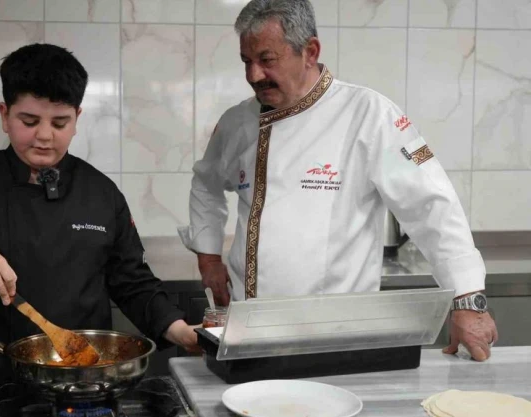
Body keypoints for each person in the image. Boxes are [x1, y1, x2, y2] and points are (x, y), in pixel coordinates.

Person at [178, 0, 498, 361]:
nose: (253, 75)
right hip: (247, 333)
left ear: (310, 52)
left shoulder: (369, 114)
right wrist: (209, 259)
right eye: (246, 61)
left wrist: (467, 301)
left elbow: (431, 207)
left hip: (337, 336)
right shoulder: (238, 121)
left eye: (266, 60)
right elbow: (205, 184)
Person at [0, 43, 198, 382]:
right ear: (4, 115)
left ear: (77, 119)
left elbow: (133, 281)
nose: (44, 136)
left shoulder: (101, 193)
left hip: (85, 381)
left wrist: (179, 330)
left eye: (60, 122)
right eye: (29, 121)